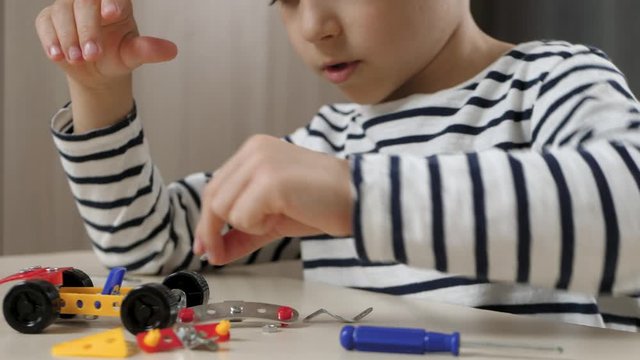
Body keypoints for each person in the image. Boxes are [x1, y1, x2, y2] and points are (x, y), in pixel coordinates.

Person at [36, 0, 639, 332]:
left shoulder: (550, 80)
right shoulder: (328, 140)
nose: (314, 26)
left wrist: (357, 196)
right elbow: (153, 249)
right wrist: (98, 95)